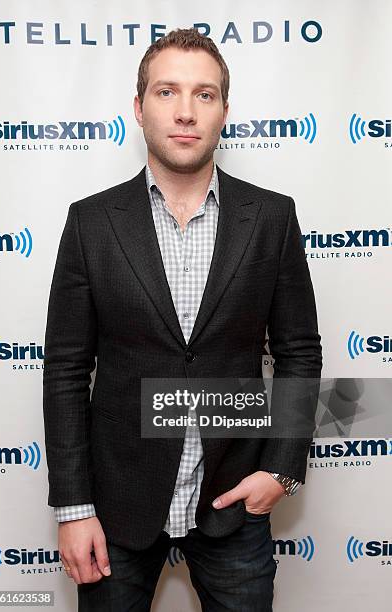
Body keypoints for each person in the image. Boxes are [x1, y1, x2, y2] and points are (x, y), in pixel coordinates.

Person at [43, 27, 322, 612]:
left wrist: (282, 468)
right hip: (115, 512)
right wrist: (73, 508)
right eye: (167, 92)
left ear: (225, 110)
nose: (187, 112)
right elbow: (67, 370)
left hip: (233, 503)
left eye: (205, 93)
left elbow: (298, 350)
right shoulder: (91, 223)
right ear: (139, 108)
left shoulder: (271, 218)